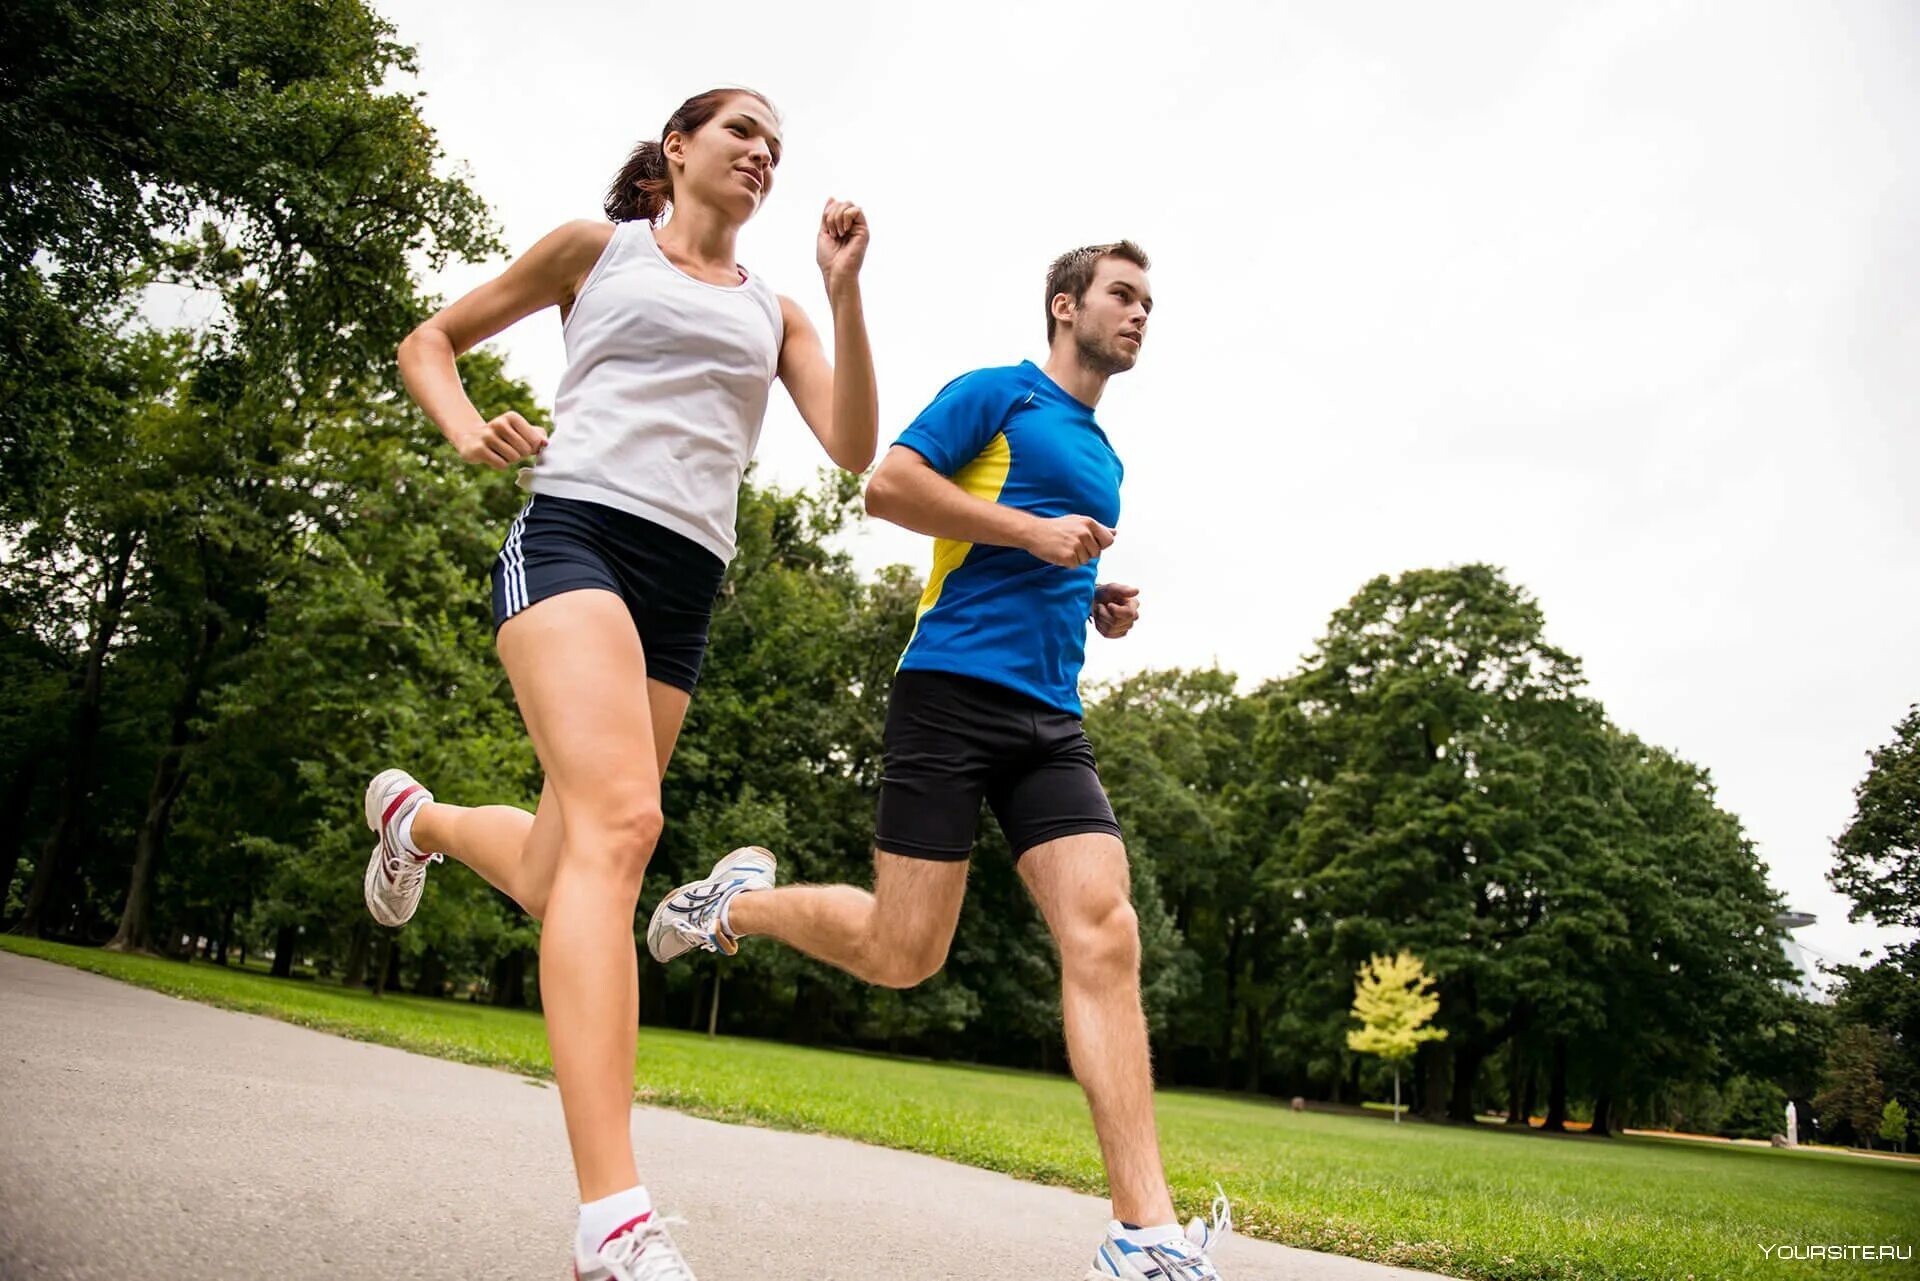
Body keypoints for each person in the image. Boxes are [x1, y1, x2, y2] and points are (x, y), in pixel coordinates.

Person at [361, 86, 876, 1281]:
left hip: (685, 588)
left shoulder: (777, 307)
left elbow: (852, 445)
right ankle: (614, 1220)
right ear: (680, 147)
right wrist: (461, 424)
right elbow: (427, 341)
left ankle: (416, 820)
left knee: (561, 874)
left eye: (778, 145)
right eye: (741, 129)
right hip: (576, 535)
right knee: (625, 827)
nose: (762, 151)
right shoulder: (597, 253)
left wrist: (844, 295)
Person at [648, 241, 1233, 1280]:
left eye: (1151, 301)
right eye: (1124, 295)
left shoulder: (1105, 452)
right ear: (1066, 306)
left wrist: (1088, 596)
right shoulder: (994, 394)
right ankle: (731, 906)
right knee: (902, 952)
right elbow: (887, 487)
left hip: (1051, 718)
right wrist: (1029, 534)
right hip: (950, 696)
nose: (1143, 313)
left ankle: (1142, 1233)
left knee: (1106, 933)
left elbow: (1036, 553)